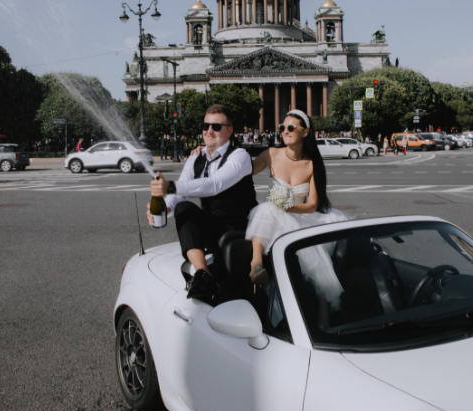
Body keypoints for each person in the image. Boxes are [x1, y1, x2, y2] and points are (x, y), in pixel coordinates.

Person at [148, 104, 257, 304]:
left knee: (234, 294)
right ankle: (202, 273)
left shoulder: (239, 155)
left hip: (241, 230)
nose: (209, 130)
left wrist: (170, 187)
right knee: (183, 208)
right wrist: (166, 206)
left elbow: (215, 185)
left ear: (229, 130)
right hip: (214, 229)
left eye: (216, 126)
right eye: (206, 125)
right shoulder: (195, 157)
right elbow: (184, 186)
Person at [246, 110, 348, 287]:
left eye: (291, 127)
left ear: (305, 132)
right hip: (273, 219)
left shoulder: (312, 163)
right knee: (268, 210)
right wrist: (209, 149)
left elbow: (313, 205)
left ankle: (322, 305)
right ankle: (256, 265)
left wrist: (287, 208)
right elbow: (242, 170)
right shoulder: (271, 154)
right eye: (282, 127)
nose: (285, 131)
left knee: (316, 257)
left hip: (301, 217)